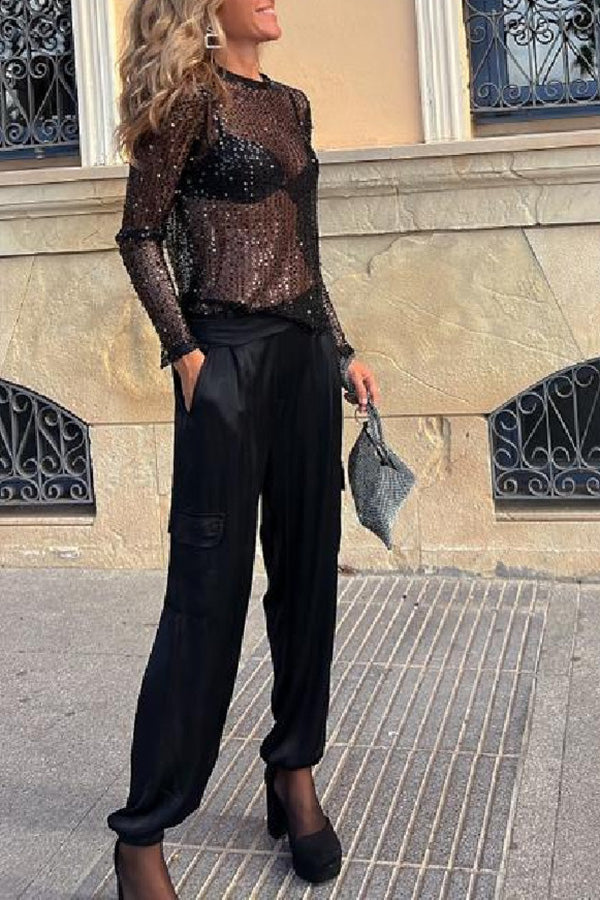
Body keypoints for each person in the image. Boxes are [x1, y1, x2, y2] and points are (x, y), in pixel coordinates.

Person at [106, 0, 380, 895]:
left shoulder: (291, 104)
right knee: (205, 598)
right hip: (223, 360)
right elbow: (141, 234)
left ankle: (292, 770)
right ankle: (142, 833)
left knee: (307, 582)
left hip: (303, 360)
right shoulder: (191, 97)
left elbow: (303, 246)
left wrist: (341, 350)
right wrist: (186, 354)